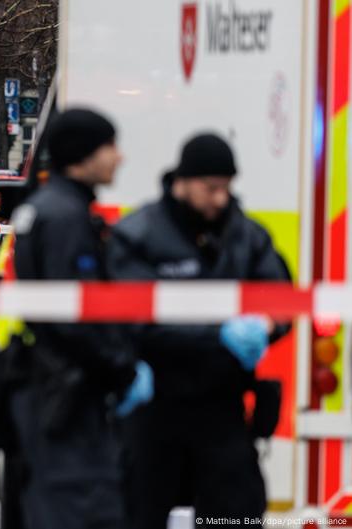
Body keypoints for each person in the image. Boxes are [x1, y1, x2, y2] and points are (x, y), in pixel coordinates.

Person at [107, 133, 291, 529]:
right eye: (211, 189)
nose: (220, 199)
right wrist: (217, 335)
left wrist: (267, 323)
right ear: (183, 181)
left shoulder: (244, 235)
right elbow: (133, 317)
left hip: (221, 406)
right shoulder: (140, 234)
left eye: (226, 188)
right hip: (156, 406)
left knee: (236, 513)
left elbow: (280, 295)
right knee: (137, 511)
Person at [9, 108, 152, 529]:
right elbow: (74, 315)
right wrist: (122, 369)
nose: (118, 158)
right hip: (71, 398)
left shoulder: (46, 208)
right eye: (109, 147)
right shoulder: (67, 218)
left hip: (52, 390)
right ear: (82, 155)